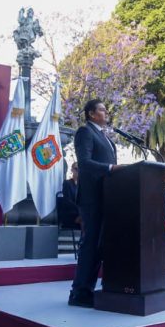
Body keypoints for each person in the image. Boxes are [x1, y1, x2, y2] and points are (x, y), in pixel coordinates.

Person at [69, 99, 120, 307]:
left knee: (99, 246)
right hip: (92, 198)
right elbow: (84, 163)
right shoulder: (85, 132)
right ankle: (79, 293)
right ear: (91, 113)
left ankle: (89, 290)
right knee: (90, 245)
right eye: (101, 109)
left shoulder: (104, 136)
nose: (105, 112)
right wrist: (111, 168)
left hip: (107, 196)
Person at [58, 162, 81, 228]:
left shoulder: (83, 185)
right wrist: (80, 210)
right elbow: (67, 201)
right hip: (71, 213)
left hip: (81, 213)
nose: (78, 171)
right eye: (76, 169)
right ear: (72, 170)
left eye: (80, 169)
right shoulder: (67, 183)